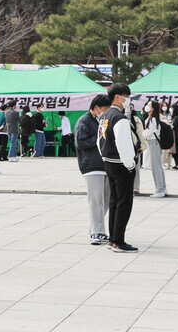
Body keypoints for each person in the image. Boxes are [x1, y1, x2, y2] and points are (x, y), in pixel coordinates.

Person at [98, 84, 139, 252]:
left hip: (109, 162)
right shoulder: (119, 118)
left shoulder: (104, 115)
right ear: (117, 97)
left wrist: (104, 157)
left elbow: (99, 140)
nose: (128, 99)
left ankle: (112, 239)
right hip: (121, 164)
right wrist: (130, 164)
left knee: (114, 201)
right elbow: (124, 144)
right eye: (126, 96)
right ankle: (119, 241)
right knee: (124, 203)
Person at [78, 94, 110, 245]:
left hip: (105, 165)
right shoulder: (84, 121)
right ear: (96, 107)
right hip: (91, 166)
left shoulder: (102, 120)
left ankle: (97, 229)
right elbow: (80, 142)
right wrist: (100, 138)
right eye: (105, 109)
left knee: (105, 200)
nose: (107, 112)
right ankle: (96, 232)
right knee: (96, 200)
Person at [142, 100, 167, 198]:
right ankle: (162, 188)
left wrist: (142, 134)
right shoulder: (152, 117)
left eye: (148, 105)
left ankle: (159, 189)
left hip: (153, 142)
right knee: (158, 166)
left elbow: (149, 131)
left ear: (153, 108)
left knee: (156, 167)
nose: (147, 106)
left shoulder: (153, 119)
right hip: (154, 142)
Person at [170, 104, 178, 169]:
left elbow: (173, 126)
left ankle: (177, 164)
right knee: (176, 150)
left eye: (172, 108)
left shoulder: (176, 118)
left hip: (176, 136)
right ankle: (177, 164)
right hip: (176, 135)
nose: (171, 109)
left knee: (176, 150)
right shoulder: (176, 117)